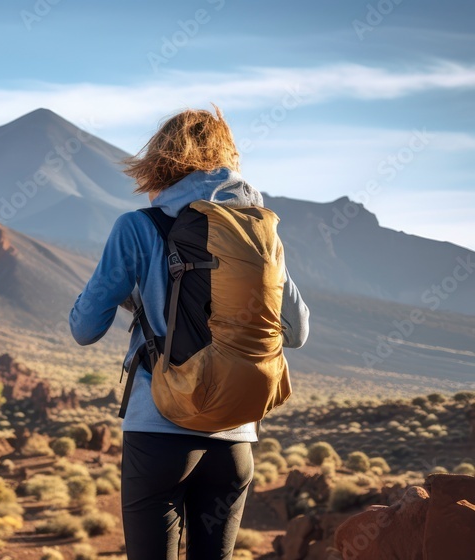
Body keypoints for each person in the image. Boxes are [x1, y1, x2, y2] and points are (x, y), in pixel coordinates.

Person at [68, 105, 310, 559]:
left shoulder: (138, 226)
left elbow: (85, 328)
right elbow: (297, 331)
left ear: (161, 160)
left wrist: (133, 294)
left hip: (160, 429)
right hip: (236, 440)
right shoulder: (261, 233)